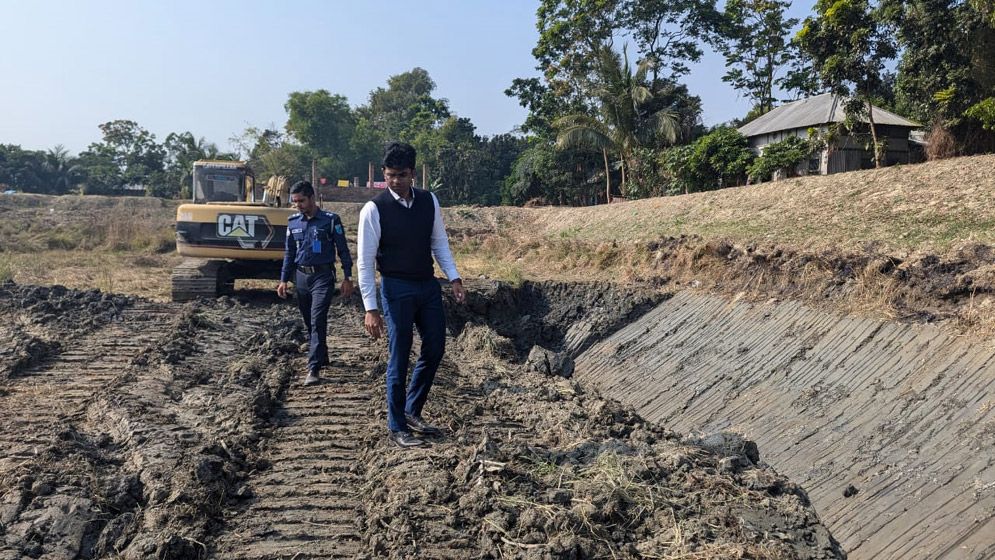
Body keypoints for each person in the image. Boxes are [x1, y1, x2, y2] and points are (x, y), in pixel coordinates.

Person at [358, 142, 466, 448]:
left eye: (402, 175)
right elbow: (364, 262)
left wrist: (454, 277)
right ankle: (396, 426)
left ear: (413, 174)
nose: (396, 181)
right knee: (399, 354)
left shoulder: (429, 202)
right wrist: (371, 307)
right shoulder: (374, 210)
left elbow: (439, 243)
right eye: (390, 175)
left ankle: (411, 410)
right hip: (395, 288)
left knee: (435, 347)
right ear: (384, 174)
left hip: (427, 285)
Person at [277, 180, 354, 386]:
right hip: (301, 277)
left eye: (301, 200)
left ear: (312, 198)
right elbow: (289, 253)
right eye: (295, 202)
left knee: (317, 318)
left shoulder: (330, 220)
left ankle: (313, 368)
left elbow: (343, 250)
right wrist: (284, 279)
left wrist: (348, 277)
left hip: (323, 277)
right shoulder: (293, 222)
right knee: (309, 321)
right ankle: (322, 353)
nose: (298, 205)